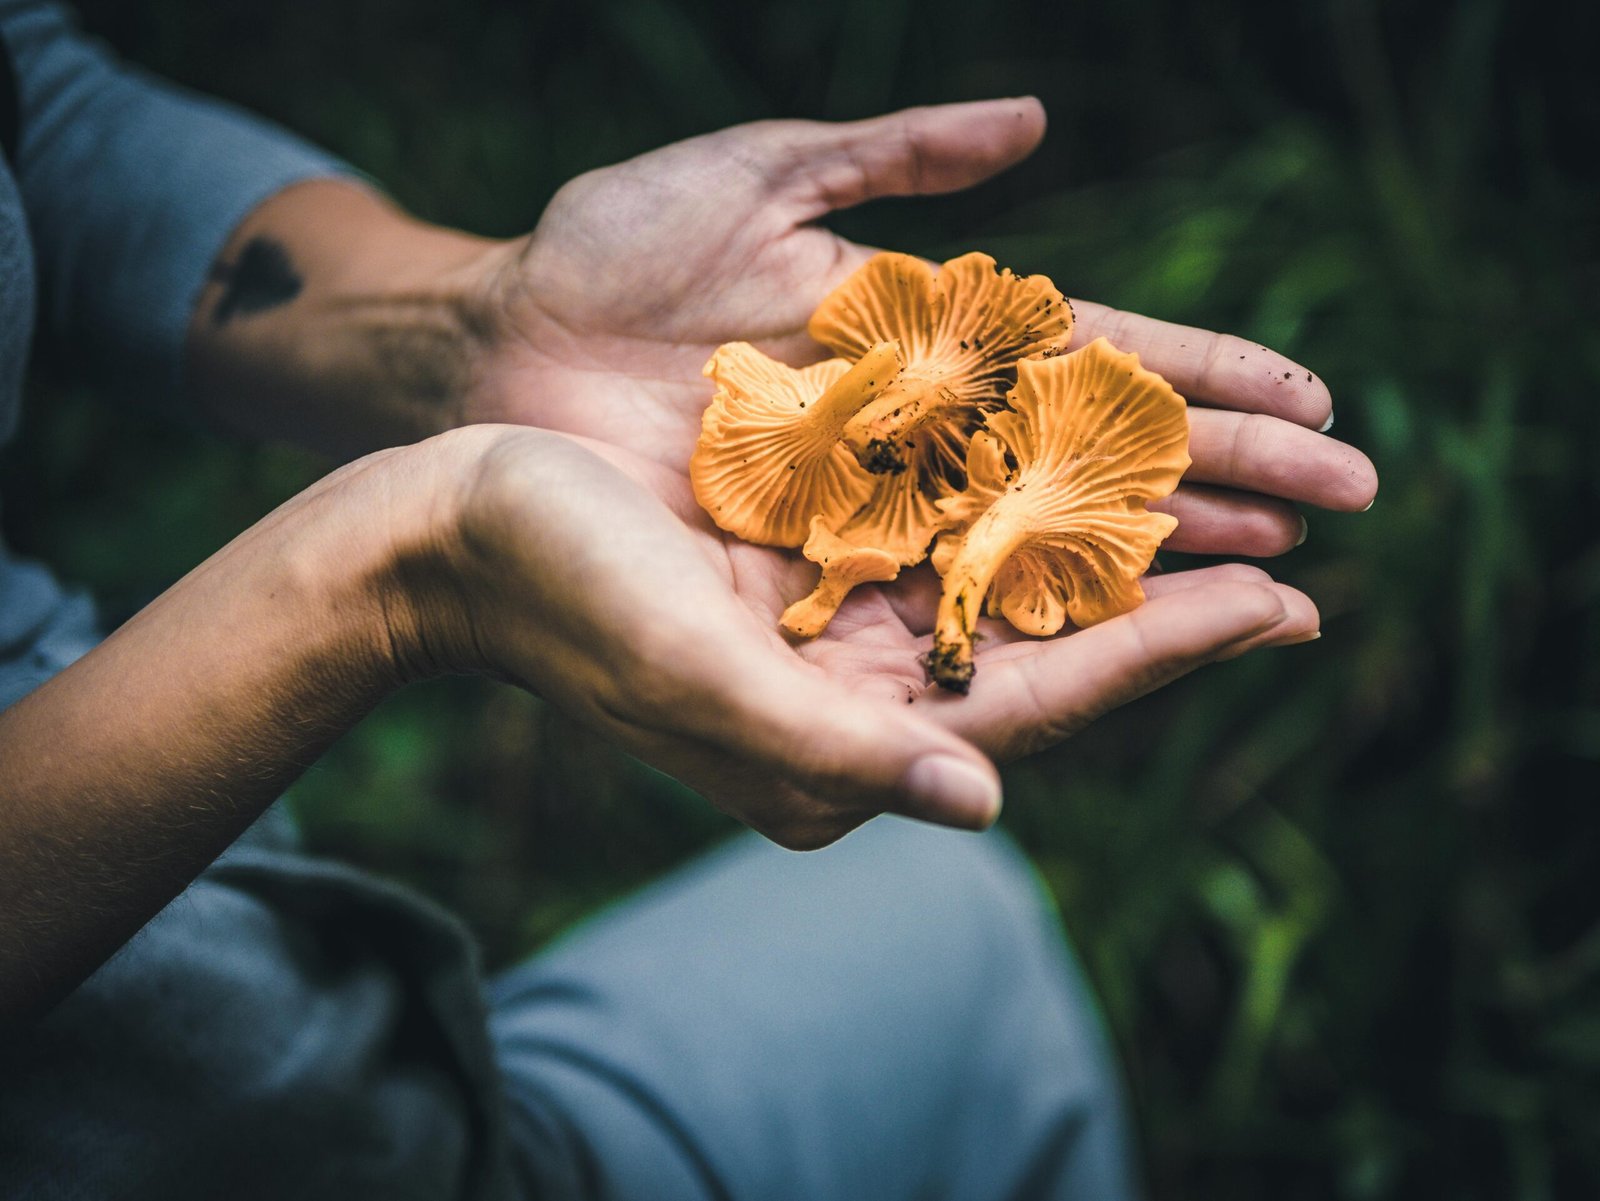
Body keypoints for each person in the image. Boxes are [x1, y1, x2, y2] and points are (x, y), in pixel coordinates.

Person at [0, 2, 1379, 1197]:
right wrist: (403, 565)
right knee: (964, 942)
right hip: (199, 1146)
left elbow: (35, 112)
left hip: (295, 1021)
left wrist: (470, 325)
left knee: (957, 905)